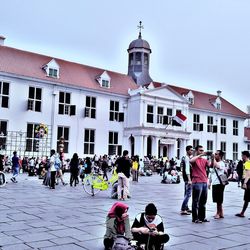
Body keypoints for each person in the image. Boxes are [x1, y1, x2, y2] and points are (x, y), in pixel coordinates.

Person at [190, 145, 211, 223]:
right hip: (197, 181)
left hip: (204, 181)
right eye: (200, 150)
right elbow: (191, 161)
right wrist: (199, 155)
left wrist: (212, 158)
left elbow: (211, 165)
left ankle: (202, 217)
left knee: (203, 201)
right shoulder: (194, 159)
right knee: (195, 201)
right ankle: (195, 218)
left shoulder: (204, 160)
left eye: (203, 150)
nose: (202, 152)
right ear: (196, 151)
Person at [208, 150, 226, 219]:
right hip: (215, 183)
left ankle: (218, 213)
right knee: (217, 199)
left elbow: (216, 166)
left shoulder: (222, 163)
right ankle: (221, 213)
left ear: (220, 156)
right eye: (215, 154)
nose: (215, 155)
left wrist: (213, 158)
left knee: (219, 200)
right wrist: (209, 182)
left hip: (220, 183)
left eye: (216, 154)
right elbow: (211, 172)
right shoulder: (214, 162)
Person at [235, 151, 250, 218]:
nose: (241, 157)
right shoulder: (245, 163)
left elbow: (248, 174)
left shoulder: (247, 163)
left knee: (247, 198)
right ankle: (242, 213)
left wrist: (245, 183)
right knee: (246, 198)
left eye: (242, 155)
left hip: (248, 182)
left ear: (245, 156)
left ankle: (242, 213)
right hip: (247, 182)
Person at [180, 145, 193, 215]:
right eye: (191, 150)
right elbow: (187, 169)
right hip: (188, 178)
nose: (192, 151)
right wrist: (189, 179)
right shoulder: (187, 158)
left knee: (186, 193)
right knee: (188, 194)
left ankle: (186, 207)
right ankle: (183, 208)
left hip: (186, 178)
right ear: (187, 151)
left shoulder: (184, 158)